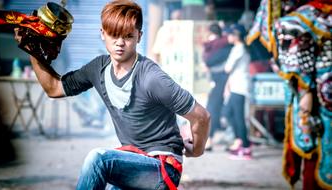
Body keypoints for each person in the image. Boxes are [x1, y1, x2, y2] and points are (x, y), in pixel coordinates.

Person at [14, 0, 210, 189]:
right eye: (113, 35)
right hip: (132, 164)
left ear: (139, 37)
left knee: (99, 160)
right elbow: (54, 88)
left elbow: (201, 116)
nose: (120, 43)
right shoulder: (97, 68)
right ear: (102, 34)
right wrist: (32, 50)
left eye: (128, 36)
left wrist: (197, 150)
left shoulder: (151, 77)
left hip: (161, 169)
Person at [222, 23, 251, 160]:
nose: (228, 36)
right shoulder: (237, 48)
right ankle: (240, 141)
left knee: (237, 117)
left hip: (240, 88)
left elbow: (227, 68)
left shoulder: (239, 49)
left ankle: (245, 147)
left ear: (236, 35)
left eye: (230, 34)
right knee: (228, 113)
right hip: (236, 87)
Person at [202, 22, 232, 151]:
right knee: (219, 110)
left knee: (212, 109)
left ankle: (210, 140)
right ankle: (216, 140)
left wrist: (206, 64)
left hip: (220, 80)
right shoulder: (225, 45)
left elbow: (208, 61)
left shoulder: (215, 46)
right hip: (221, 80)